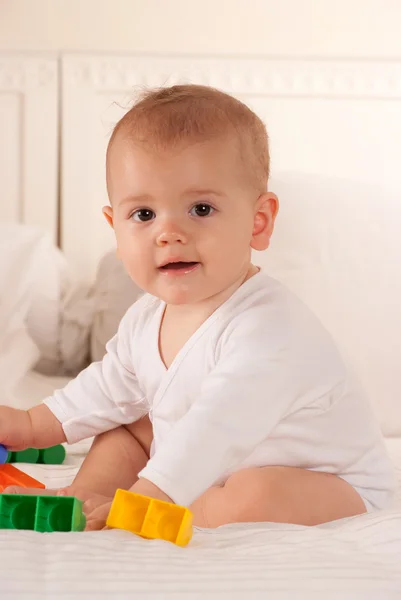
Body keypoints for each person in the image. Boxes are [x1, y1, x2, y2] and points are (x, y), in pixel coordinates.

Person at [0, 85, 395, 531]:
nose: (168, 233)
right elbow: (109, 388)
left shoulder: (270, 329)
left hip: (327, 482)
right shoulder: (146, 318)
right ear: (116, 227)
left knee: (252, 494)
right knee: (126, 426)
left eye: (200, 208)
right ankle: (89, 496)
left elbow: (215, 428)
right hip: (201, 462)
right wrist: (31, 424)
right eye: (144, 215)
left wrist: (149, 496)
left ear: (258, 221)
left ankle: (146, 510)